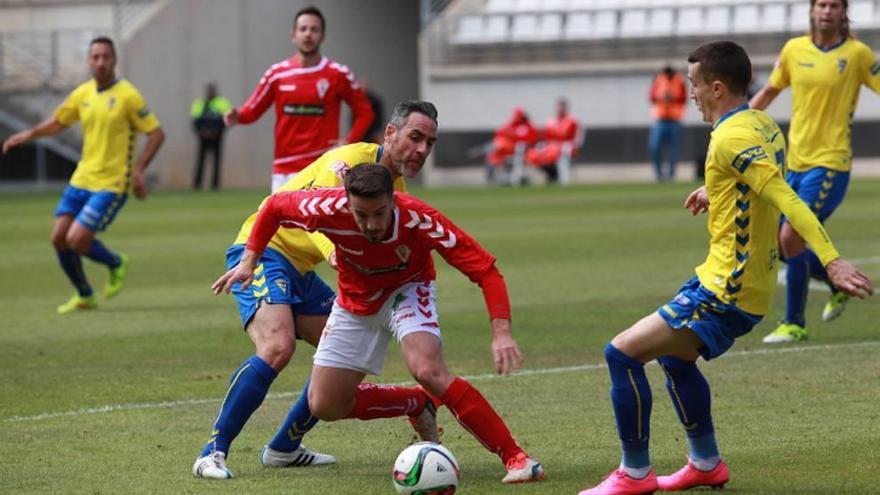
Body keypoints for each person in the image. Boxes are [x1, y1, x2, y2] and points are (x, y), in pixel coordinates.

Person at [578, 41, 873, 495]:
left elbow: (784, 197)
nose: (689, 93)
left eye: (693, 84)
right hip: (731, 280)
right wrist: (714, 188)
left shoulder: (730, 137)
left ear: (716, 87)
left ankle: (634, 474)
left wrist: (830, 261)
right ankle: (705, 463)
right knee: (677, 360)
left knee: (621, 354)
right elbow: (750, 179)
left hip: (726, 290)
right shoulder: (761, 122)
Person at [214, 164, 546, 485]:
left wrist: (501, 332)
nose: (371, 224)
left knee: (427, 369)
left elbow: (485, 270)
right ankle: (417, 402)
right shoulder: (326, 206)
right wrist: (249, 261)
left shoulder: (419, 218)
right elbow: (273, 207)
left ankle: (517, 458)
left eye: (379, 213)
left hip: (408, 291)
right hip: (353, 300)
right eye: (361, 215)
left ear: (393, 200)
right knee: (324, 405)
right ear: (347, 202)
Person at [192, 100, 442, 480]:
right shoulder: (352, 160)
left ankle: (284, 447)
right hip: (262, 251)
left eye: (429, 142)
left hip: (300, 269)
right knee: (277, 346)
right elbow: (328, 209)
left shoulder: (396, 187)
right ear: (390, 134)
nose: (421, 149)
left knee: (339, 357)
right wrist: (336, 255)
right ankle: (212, 452)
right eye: (415, 137)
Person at [1, 36, 164, 314]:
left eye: (105, 57)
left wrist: (138, 169)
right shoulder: (83, 93)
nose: (100, 62)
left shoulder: (128, 95)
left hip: (112, 183)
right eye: (95, 57)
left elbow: (156, 134)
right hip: (82, 178)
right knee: (58, 238)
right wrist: (27, 136)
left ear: (114, 60)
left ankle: (115, 263)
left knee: (77, 240)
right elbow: (57, 122)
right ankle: (85, 294)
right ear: (89, 61)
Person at [750, 0, 880, 343]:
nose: (826, 11)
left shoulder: (857, 54)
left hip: (831, 163)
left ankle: (794, 324)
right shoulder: (794, 49)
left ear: (843, 12)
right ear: (812, 10)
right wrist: (735, 126)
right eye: (821, 4)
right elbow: (769, 91)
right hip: (794, 162)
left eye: (833, 6)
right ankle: (833, 281)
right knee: (776, 244)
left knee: (791, 236)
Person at [223, 5, 374, 192]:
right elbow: (252, 110)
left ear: (323, 36)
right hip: (285, 168)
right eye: (303, 29)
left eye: (314, 29)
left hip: (324, 165)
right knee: (283, 222)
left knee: (322, 222)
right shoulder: (277, 74)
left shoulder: (338, 74)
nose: (308, 34)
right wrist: (237, 115)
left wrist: (349, 140)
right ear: (293, 35)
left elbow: (365, 112)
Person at [525, 97, 580, 183]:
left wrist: (565, 145)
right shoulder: (550, 121)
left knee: (556, 154)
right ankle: (551, 174)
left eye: (563, 107)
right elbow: (546, 137)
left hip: (565, 148)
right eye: (559, 106)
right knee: (534, 154)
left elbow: (576, 138)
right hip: (550, 147)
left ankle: (558, 177)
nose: (561, 109)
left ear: (566, 108)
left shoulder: (572, 121)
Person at [648, 65, 687, 182]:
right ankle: (659, 174)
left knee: (673, 149)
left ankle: (670, 175)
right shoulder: (658, 79)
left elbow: (684, 98)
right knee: (654, 147)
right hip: (660, 118)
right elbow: (651, 97)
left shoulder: (680, 80)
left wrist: (673, 97)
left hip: (674, 119)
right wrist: (662, 96)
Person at [190, 82, 232, 190]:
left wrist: (217, 131)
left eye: (212, 90)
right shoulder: (200, 103)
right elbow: (195, 120)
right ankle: (197, 185)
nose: (210, 92)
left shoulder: (222, 103)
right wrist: (202, 132)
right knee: (201, 161)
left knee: (217, 161)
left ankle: (215, 185)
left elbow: (226, 120)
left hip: (217, 136)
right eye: (209, 90)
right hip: (203, 136)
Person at [486, 107, 537, 183]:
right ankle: (493, 173)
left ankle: (515, 177)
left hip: (521, 151)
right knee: (495, 148)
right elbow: (499, 133)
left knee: (501, 145)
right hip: (506, 150)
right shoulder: (511, 125)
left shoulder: (527, 126)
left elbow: (531, 139)